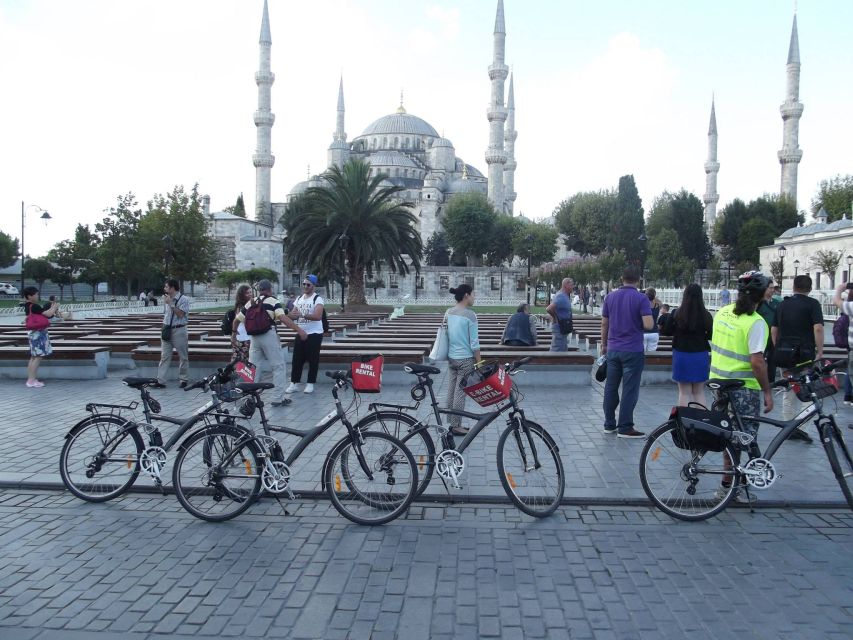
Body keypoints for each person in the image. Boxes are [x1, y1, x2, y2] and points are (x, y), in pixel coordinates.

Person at [710, 271, 773, 503]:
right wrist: (767, 390)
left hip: (718, 381)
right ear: (761, 295)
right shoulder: (756, 322)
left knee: (728, 435)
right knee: (742, 438)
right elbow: (757, 362)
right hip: (743, 387)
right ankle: (731, 488)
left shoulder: (724, 311)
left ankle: (729, 485)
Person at [234, 279, 306, 407]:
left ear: (259, 290)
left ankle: (251, 396)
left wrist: (234, 334)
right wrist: (299, 330)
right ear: (270, 289)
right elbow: (283, 318)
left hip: (254, 338)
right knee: (278, 366)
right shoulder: (273, 301)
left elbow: (237, 319)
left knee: (253, 368)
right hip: (268, 335)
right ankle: (278, 398)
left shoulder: (251, 302)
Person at [600, 267, 653, 438]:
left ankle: (609, 424)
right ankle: (625, 427)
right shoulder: (641, 298)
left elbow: (604, 324)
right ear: (638, 280)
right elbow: (648, 325)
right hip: (633, 350)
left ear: (622, 278)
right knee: (629, 389)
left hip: (613, 349)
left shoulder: (610, 297)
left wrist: (603, 346)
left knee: (610, 386)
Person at [773, 275, 823, 442]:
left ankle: (788, 426)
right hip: (805, 353)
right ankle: (801, 427)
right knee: (807, 390)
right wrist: (820, 350)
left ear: (794, 287)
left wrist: (777, 346)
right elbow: (817, 328)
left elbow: (774, 329)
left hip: (785, 352)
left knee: (789, 390)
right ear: (810, 288)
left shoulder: (782, 304)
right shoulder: (813, 304)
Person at [445, 284, 480, 436]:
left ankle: (452, 423)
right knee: (460, 393)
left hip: (452, 357)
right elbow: (475, 343)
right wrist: (479, 362)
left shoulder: (449, 312)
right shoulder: (470, 315)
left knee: (452, 390)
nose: (474, 297)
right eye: (473, 294)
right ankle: (456, 426)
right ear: (466, 295)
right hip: (465, 359)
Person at [670, 284, 713, 407]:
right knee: (699, 392)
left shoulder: (677, 313)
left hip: (681, 354)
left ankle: (685, 422)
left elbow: (669, 330)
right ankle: (701, 420)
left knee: (684, 392)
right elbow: (711, 335)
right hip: (700, 354)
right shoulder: (706, 315)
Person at [285, 274, 325, 394]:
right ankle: (294, 383)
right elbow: (293, 314)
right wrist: (286, 315)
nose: (305, 286)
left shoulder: (317, 299)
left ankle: (310, 383)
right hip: (301, 332)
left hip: (314, 333)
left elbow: (318, 316)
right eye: (304, 284)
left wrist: (302, 315)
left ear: (313, 285)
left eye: (308, 284)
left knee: (313, 359)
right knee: (297, 359)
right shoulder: (299, 298)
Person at [154, 279, 191, 389]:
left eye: (166, 287)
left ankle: (183, 379)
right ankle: (160, 381)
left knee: (183, 356)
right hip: (167, 329)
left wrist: (171, 304)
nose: (164, 289)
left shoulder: (183, 299)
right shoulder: (167, 299)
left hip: (179, 330)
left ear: (172, 288)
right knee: (164, 356)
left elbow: (180, 315)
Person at [21, 286, 57, 387]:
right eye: (36, 294)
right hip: (38, 333)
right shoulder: (34, 306)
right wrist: (54, 306)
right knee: (38, 357)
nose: (37, 296)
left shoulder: (27, 306)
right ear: (29, 296)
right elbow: (49, 314)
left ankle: (30, 379)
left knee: (33, 356)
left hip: (33, 333)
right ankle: (32, 380)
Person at [546, 278, 573, 352]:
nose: (572, 287)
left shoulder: (564, 295)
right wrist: (555, 317)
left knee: (563, 350)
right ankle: (552, 362)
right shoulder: (561, 296)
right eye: (571, 285)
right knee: (556, 350)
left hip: (563, 328)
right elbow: (549, 309)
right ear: (566, 285)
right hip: (559, 327)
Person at [228, 284, 252, 362]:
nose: (250, 294)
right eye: (247, 293)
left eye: (251, 292)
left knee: (240, 360)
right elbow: (246, 322)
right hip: (244, 337)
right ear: (242, 295)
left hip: (242, 336)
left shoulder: (242, 306)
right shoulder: (242, 307)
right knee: (243, 362)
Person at [643, 288, 662, 352]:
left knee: (642, 353)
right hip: (654, 332)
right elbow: (660, 302)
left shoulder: (642, 305)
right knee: (652, 354)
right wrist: (654, 297)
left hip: (643, 332)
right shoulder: (658, 305)